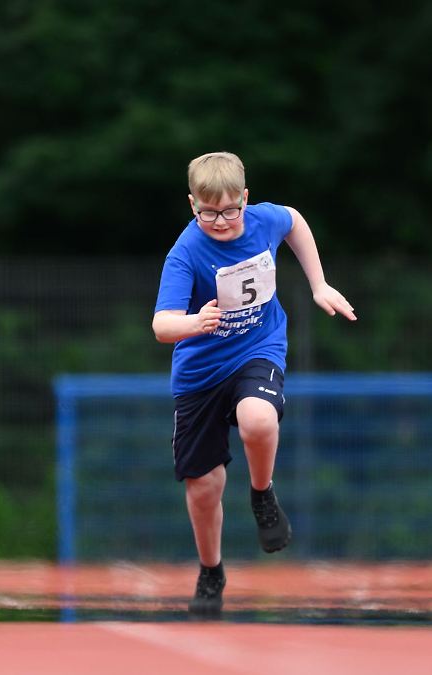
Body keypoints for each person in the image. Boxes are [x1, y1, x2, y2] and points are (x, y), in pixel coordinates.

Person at [152, 152, 355, 615]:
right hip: (200, 374)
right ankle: (211, 570)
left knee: (258, 419)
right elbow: (162, 326)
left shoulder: (263, 220)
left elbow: (295, 222)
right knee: (204, 489)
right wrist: (193, 322)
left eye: (229, 210)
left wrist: (318, 283)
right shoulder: (186, 252)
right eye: (208, 212)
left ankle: (263, 494)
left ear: (245, 199)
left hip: (256, 348)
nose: (220, 221)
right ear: (192, 205)